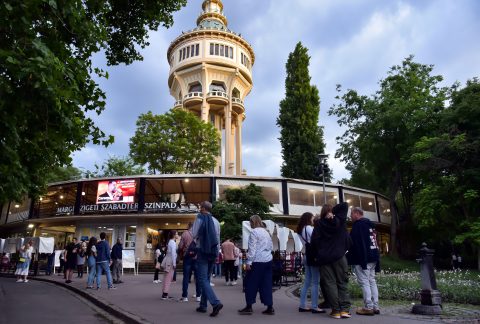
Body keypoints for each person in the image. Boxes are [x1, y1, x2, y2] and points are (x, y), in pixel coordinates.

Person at [311, 203, 351, 319]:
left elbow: (314, 242)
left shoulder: (318, 224)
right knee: (342, 283)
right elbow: (344, 205)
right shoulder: (340, 222)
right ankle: (344, 310)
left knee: (330, 284)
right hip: (339, 256)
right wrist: (333, 215)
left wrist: (316, 256)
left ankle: (336, 310)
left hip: (324, 258)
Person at [192, 201, 223, 317]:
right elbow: (218, 238)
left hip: (202, 251)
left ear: (203, 208)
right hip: (213, 252)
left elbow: (194, 233)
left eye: (200, 207)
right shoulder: (216, 221)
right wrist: (216, 254)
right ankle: (203, 306)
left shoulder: (200, 218)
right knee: (207, 279)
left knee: (202, 279)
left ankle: (215, 303)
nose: (199, 208)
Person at [238, 215, 274, 315]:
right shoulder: (267, 232)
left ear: (253, 222)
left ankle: (249, 306)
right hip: (268, 260)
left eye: (250, 222)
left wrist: (248, 262)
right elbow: (271, 247)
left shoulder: (254, 232)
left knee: (250, 283)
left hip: (257, 261)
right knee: (266, 284)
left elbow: (252, 249)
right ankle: (270, 307)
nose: (249, 224)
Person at [349, 207, 380, 316]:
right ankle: (376, 306)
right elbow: (375, 242)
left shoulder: (358, 225)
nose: (350, 216)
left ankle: (368, 307)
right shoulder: (370, 224)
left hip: (363, 258)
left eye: (351, 214)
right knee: (372, 280)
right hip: (373, 256)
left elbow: (356, 244)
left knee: (364, 282)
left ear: (357, 213)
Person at [296, 212, 325, 313]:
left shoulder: (300, 229)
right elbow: (316, 240)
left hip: (306, 255)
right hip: (313, 256)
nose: (313, 220)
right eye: (312, 218)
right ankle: (314, 306)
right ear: (309, 218)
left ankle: (302, 305)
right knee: (315, 282)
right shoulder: (308, 228)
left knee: (307, 281)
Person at [178, 223, 201, 302]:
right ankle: (198, 296)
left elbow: (180, 246)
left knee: (186, 277)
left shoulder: (185, 233)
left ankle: (185, 297)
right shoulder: (199, 234)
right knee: (197, 277)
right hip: (197, 258)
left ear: (188, 226)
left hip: (187, 257)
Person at [161, 231, 178, 300]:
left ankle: (164, 293)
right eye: (176, 234)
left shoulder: (170, 242)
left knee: (166, 277)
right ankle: (165, 294)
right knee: (168, 278)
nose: (177, 235)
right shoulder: (173, 243)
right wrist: (174, 264)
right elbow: (173, 254)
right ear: (174, 235)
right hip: (170, 261)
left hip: (167, 260)